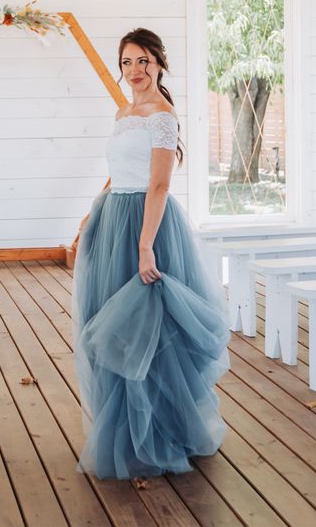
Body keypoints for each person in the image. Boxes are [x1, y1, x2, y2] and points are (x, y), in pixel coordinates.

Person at [71, 28, 230, 481]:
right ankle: (123, 427)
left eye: (143, 61)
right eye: (127, 62)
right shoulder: (124, 112)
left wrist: (145, 246)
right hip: (113, 218)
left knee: (150, 331)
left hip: (148, 226)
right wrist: (90, 216)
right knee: (112, 327)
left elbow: (158, 183)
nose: (135, 71)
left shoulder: (162, 116)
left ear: (159, 64)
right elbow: (121, 169)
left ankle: (162, 430)